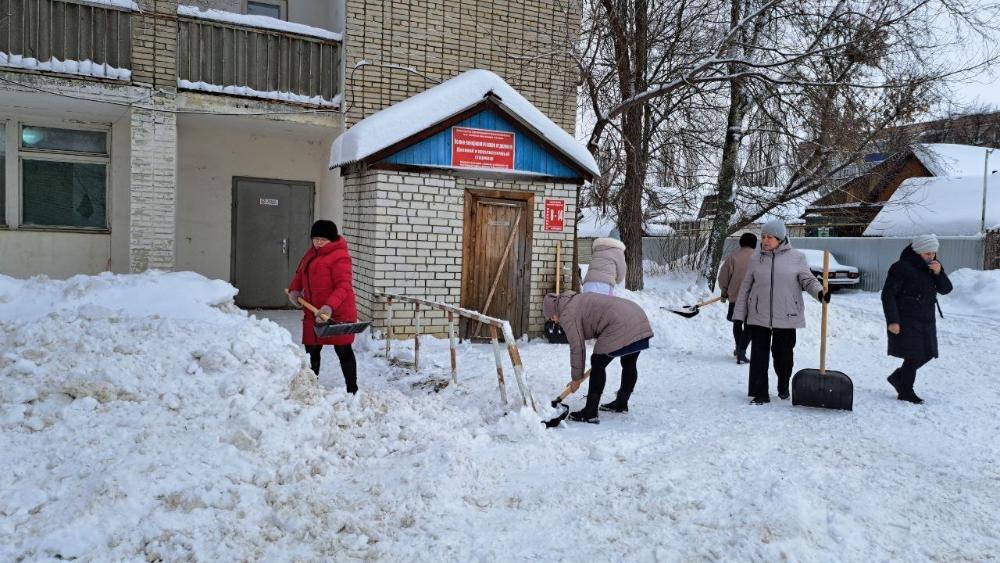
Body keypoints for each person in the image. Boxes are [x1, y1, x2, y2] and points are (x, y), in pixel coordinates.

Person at [732, 220, 829, 404]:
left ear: (780, 238)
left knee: (783, 356)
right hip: (759, 315)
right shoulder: (755, 258)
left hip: (787, 315)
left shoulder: (797, 257)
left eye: (770, 237)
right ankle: (759, 393)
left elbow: (808, 280)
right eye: (763, 237)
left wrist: (820, 292)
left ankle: (783, 384)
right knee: (759, 358)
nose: (765, 241)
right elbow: (746, 287)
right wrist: (739, 315)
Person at [543, 291, 654, 423]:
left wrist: (576, 379)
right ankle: (621, 402)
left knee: (598, 361)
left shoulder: (567, 314)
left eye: (551, 318)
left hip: (620, 324)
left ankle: (590, 411)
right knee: (629, 361)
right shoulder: (574, 300)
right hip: (637, 316)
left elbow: (577, 347)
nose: (553, 321)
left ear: (554, 311)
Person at [287, 220, 359, 394]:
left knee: (343, 350)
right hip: (313, 311)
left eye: (323, 239)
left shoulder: (340, 257)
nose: (318, 242)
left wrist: (329, 307)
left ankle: (352, 389)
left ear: (332, 239)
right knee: (311, 350)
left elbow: (344, 286)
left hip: (337, 312)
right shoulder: (311, 253)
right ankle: (311, 388)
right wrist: (294, 290)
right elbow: (300, 273)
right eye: (315, 238)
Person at [881, 234, 953, 404]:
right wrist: (893, 321)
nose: (931, 256)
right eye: (927, 253)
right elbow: (888, 295)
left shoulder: (933, 266)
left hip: (927, 317)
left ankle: (899, 377)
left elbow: (946, 289)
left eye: (934, 253)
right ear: (918, 251)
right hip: (906, 317)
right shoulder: (901, 267)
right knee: (914, 354)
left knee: (928, 352)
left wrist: (939, 273)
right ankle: (906, 390)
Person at [718, 232, 758, 364]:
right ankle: (742, 350)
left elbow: (723, 277)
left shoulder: (732, 257)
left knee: (737, 323)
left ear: (741, 242)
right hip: (754, 298)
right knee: (749, 325)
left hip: (735, 297)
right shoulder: (759, 258)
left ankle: (738, 347)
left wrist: (724, 292)